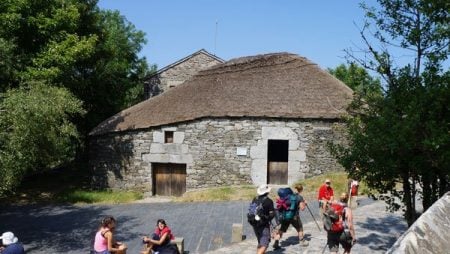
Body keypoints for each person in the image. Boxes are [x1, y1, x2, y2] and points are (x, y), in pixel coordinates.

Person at [272, 184, 309, 250]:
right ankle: (302, 241)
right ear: (301, 190)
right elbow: (302, 208)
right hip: (294, 216)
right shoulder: (299, 197)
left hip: (285, 216)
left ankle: (276, 242)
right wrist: (305, 203)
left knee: (282, 230)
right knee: (299, 228)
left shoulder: (285, 197)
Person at [251, 184, 275, 254]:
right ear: (267, 192)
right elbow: (271, 214)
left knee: (260, 242)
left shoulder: (255, 199)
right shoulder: (269, 201)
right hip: (263, 224)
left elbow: (252, 210)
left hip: (254, 223)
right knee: (265, 243)